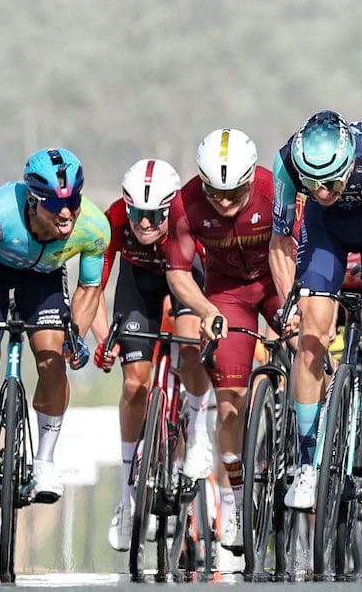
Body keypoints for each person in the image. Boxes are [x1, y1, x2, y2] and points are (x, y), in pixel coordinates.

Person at [269, 110, 362, 558]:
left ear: (348, 162)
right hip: (325, 234)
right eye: (314, 185)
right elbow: (279, 242)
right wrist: (287, 305)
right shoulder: (288, 164)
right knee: (311, 335)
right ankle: (309, 461)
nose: (324, 191)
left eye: (331, 182)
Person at [0, 147, 108, 521]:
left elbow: (90, 288)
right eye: (54, 204)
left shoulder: (93, 227)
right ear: (33, 201)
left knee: (53, 363)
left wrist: (76, 335)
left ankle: (45, 462)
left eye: (73, 201)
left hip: (42, 278)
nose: (66, 213)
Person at [164, 128, 283, 552]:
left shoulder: (275, 189)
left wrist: (290, 314)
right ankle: (233, 502)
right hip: (226, 293)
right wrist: (205, 309)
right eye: (216, 193)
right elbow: (178, 272)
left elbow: (296, 250)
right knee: (230, 402)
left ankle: (309, 444)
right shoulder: (186, 202)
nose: (226, 203)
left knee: (310, 342)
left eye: (235, 192)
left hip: (275, 280)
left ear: (252, 177)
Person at [90, 158, 211, 552]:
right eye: (137, 214)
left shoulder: (186, 217)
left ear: (170, 207)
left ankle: (196, 432)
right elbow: (94, 287)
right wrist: (104, 337)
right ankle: (126, 501)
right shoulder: (113, 221)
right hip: (138, 282)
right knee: (134, 383)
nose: (143, 224)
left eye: (154, 215)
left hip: (186, 278)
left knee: (191, 347)